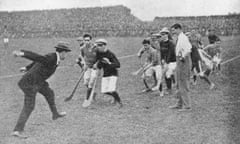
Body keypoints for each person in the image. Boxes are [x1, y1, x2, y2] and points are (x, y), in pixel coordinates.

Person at [11, 42, 71, 138]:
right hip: (29, 83)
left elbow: (39, 61)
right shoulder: (52, 58)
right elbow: (37, 58)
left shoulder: (54, 58)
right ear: (62, 52)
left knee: (49, 93)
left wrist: (27, 68)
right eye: (66, 53)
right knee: (29, 106)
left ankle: (55, 114)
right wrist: (22, 54)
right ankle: (17, 130)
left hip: (38, 81)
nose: (66, 55)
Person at [94, 39, 123, 108]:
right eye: (97, 45)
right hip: (106, 74)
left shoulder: (110, 54)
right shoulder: (98, 53)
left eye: (100, 45)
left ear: (104, 46)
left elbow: (118, 65)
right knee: (104, 91)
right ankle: (115, 96)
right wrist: (97, 67)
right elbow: (99, 63)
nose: (98, 47)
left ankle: (119, 102)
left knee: (111, 89)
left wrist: (109, 63)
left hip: (113, 74)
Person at [169, 23, 192, 110]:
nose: (173, 32)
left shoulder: (183, 38)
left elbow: (188, 49)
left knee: (183, 83)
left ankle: (187, 105)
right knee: (178, 84)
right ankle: (179, 103)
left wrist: (183, 57)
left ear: (178, 29)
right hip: (179, 60)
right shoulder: (178, 37)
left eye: (173, 30)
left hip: (183, 61)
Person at [77, 34, 98, 107]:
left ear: (90, 40)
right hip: (87, 67)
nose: (87, 42)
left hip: (94, 67)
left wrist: (96, 63)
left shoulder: (95, 48)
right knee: (86, 82)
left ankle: (87, 99)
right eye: (85, 40)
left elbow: (100, 57)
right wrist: (84, 64)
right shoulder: (82, 48)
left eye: (88, 40)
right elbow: (82, 56)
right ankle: (93, 92)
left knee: (92, 81)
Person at [159, 27, 176, 94]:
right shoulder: (161, 42)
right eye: (162, 34)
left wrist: (167, 62)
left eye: (164, 34)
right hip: (165, 61)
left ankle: (170, 89)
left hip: (172, 61)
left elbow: (170, 53)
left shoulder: (171, 43)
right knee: (167, 74)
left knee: (167, 74)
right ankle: (169, 87)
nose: (163, 36)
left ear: (167, 35)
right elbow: (161, 52)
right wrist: (162, 59)